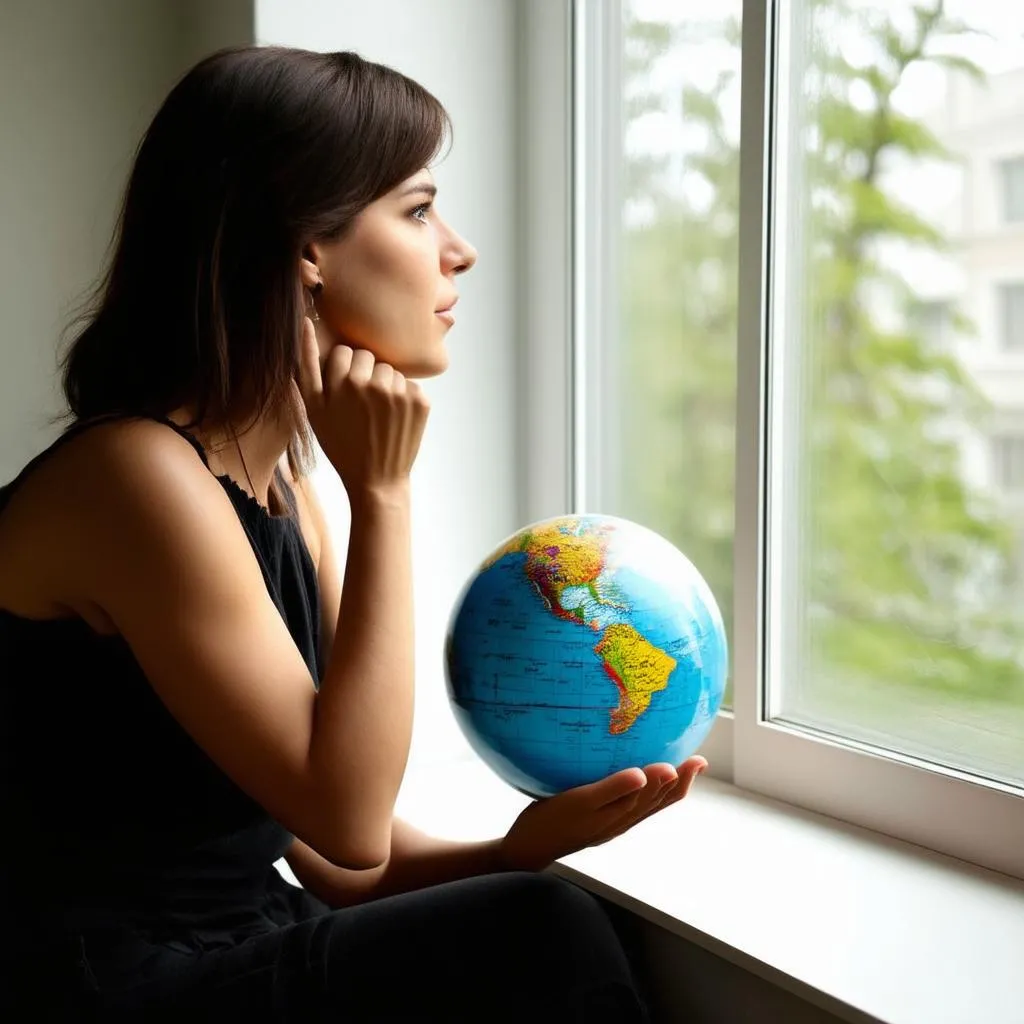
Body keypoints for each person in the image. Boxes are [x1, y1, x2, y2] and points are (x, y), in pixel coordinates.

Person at [0, 45, 707, 1022]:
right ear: (305, 248)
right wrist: (384, 495)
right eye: (417, 211)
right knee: (541, 934)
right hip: (105, 983)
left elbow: (338, 861)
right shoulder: (135, 479)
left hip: (242, 938)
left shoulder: (280, 484)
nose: (457, 250)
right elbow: (350, 819)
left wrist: (521, 845)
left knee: (543, 908)